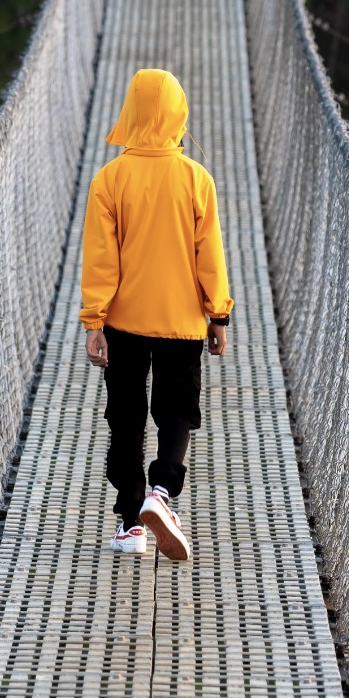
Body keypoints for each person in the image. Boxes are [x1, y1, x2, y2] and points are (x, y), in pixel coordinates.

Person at [79, 68, 233, 561]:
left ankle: (129, 525)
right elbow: (209, 254)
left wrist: (94, 321)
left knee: (125, 418)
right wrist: (218, 315)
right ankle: (161, 493)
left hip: (124, 322)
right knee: (176, 412)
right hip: (183, 320)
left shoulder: (110, 180)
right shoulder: (196, 179)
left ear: (132, 112)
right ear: (178, 115)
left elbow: (102, 260)